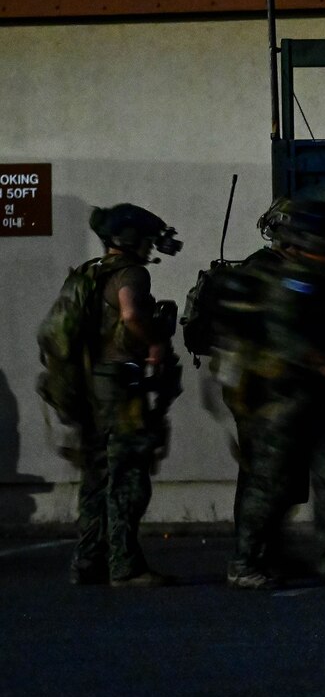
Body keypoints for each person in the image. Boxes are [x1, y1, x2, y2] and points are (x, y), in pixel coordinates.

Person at [226, 199, 325, 590]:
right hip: (277, 398)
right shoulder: (291, 278)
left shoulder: (319, 275)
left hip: (305, 397)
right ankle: (246, 562)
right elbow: (283, 338)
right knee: (270, 484)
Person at [70, 204, 182, 587]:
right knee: (129, 475)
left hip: (90, 384)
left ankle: (89, 559)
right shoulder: (130, 274)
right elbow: (132, 315)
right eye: (149, 239)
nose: (152, 246)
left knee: (96, 474)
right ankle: (126, 566)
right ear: (131, 238)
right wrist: (154, 345)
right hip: (120, 386)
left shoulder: (89, 272)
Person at [208, 199, 310, 585]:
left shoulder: (271, 269)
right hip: (260, 391)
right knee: (262, 477)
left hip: (263, 388)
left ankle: (269, 553)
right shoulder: (266, 273)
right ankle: (246, 562)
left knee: (275, 476)